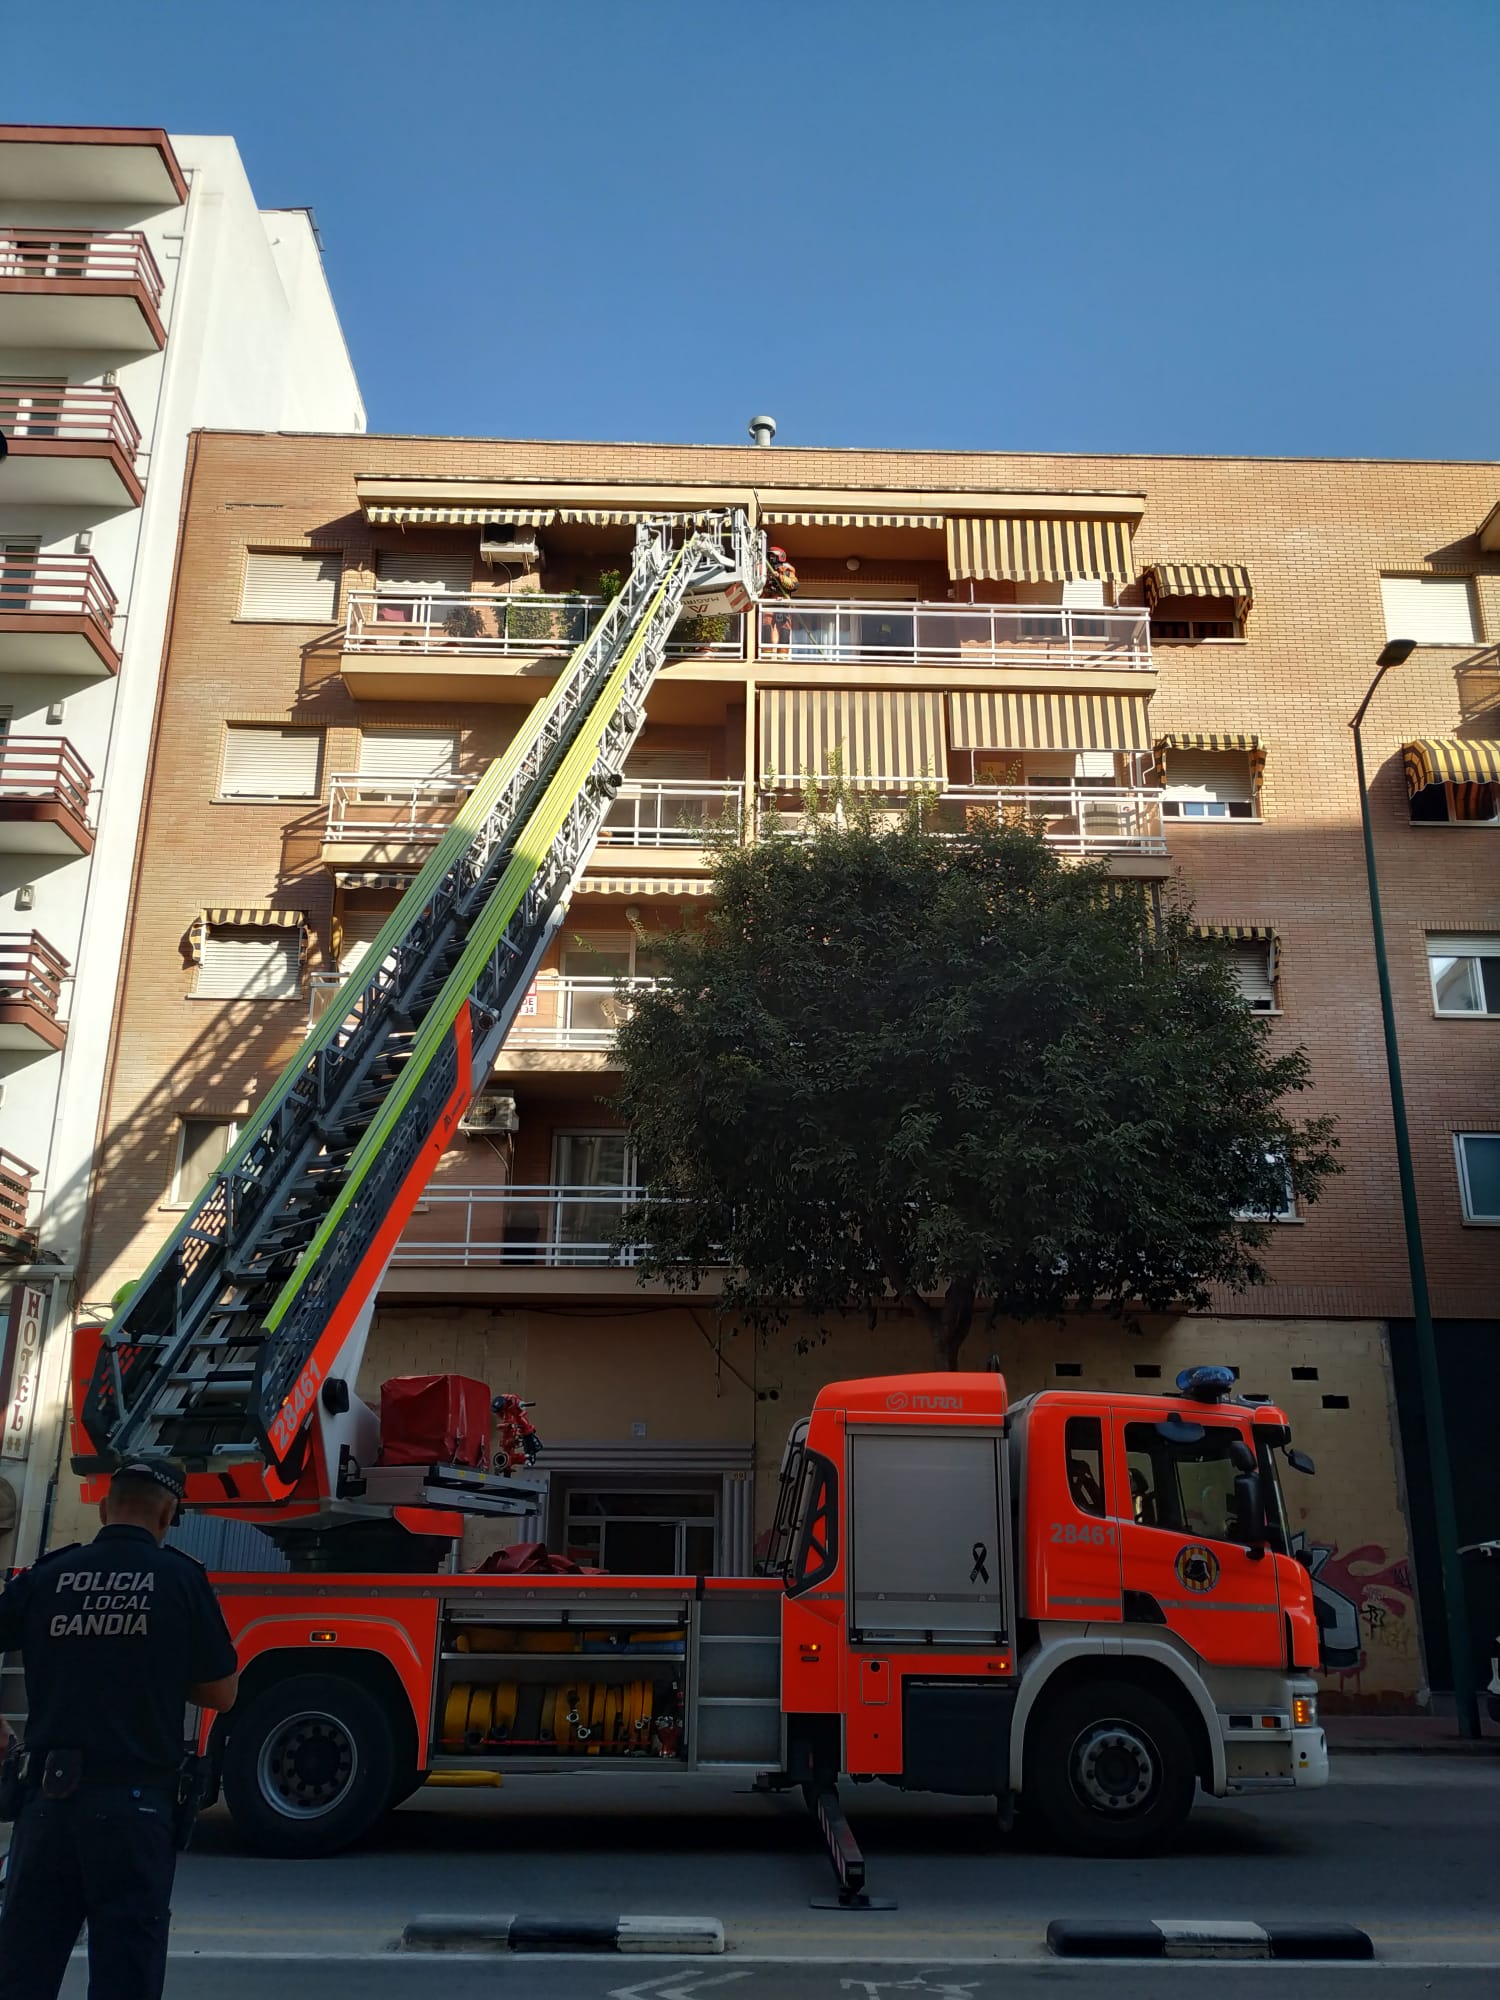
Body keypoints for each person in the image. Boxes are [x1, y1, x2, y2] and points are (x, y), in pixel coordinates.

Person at [0, 1460, 239, 2000]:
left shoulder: (50, 1574)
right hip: (135, 1813)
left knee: (22, 1973)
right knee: (126, 1978)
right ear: (168, 1514)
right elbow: (223, 1694)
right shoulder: (180, 1579)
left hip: (47, 1804)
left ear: (105, 1509)